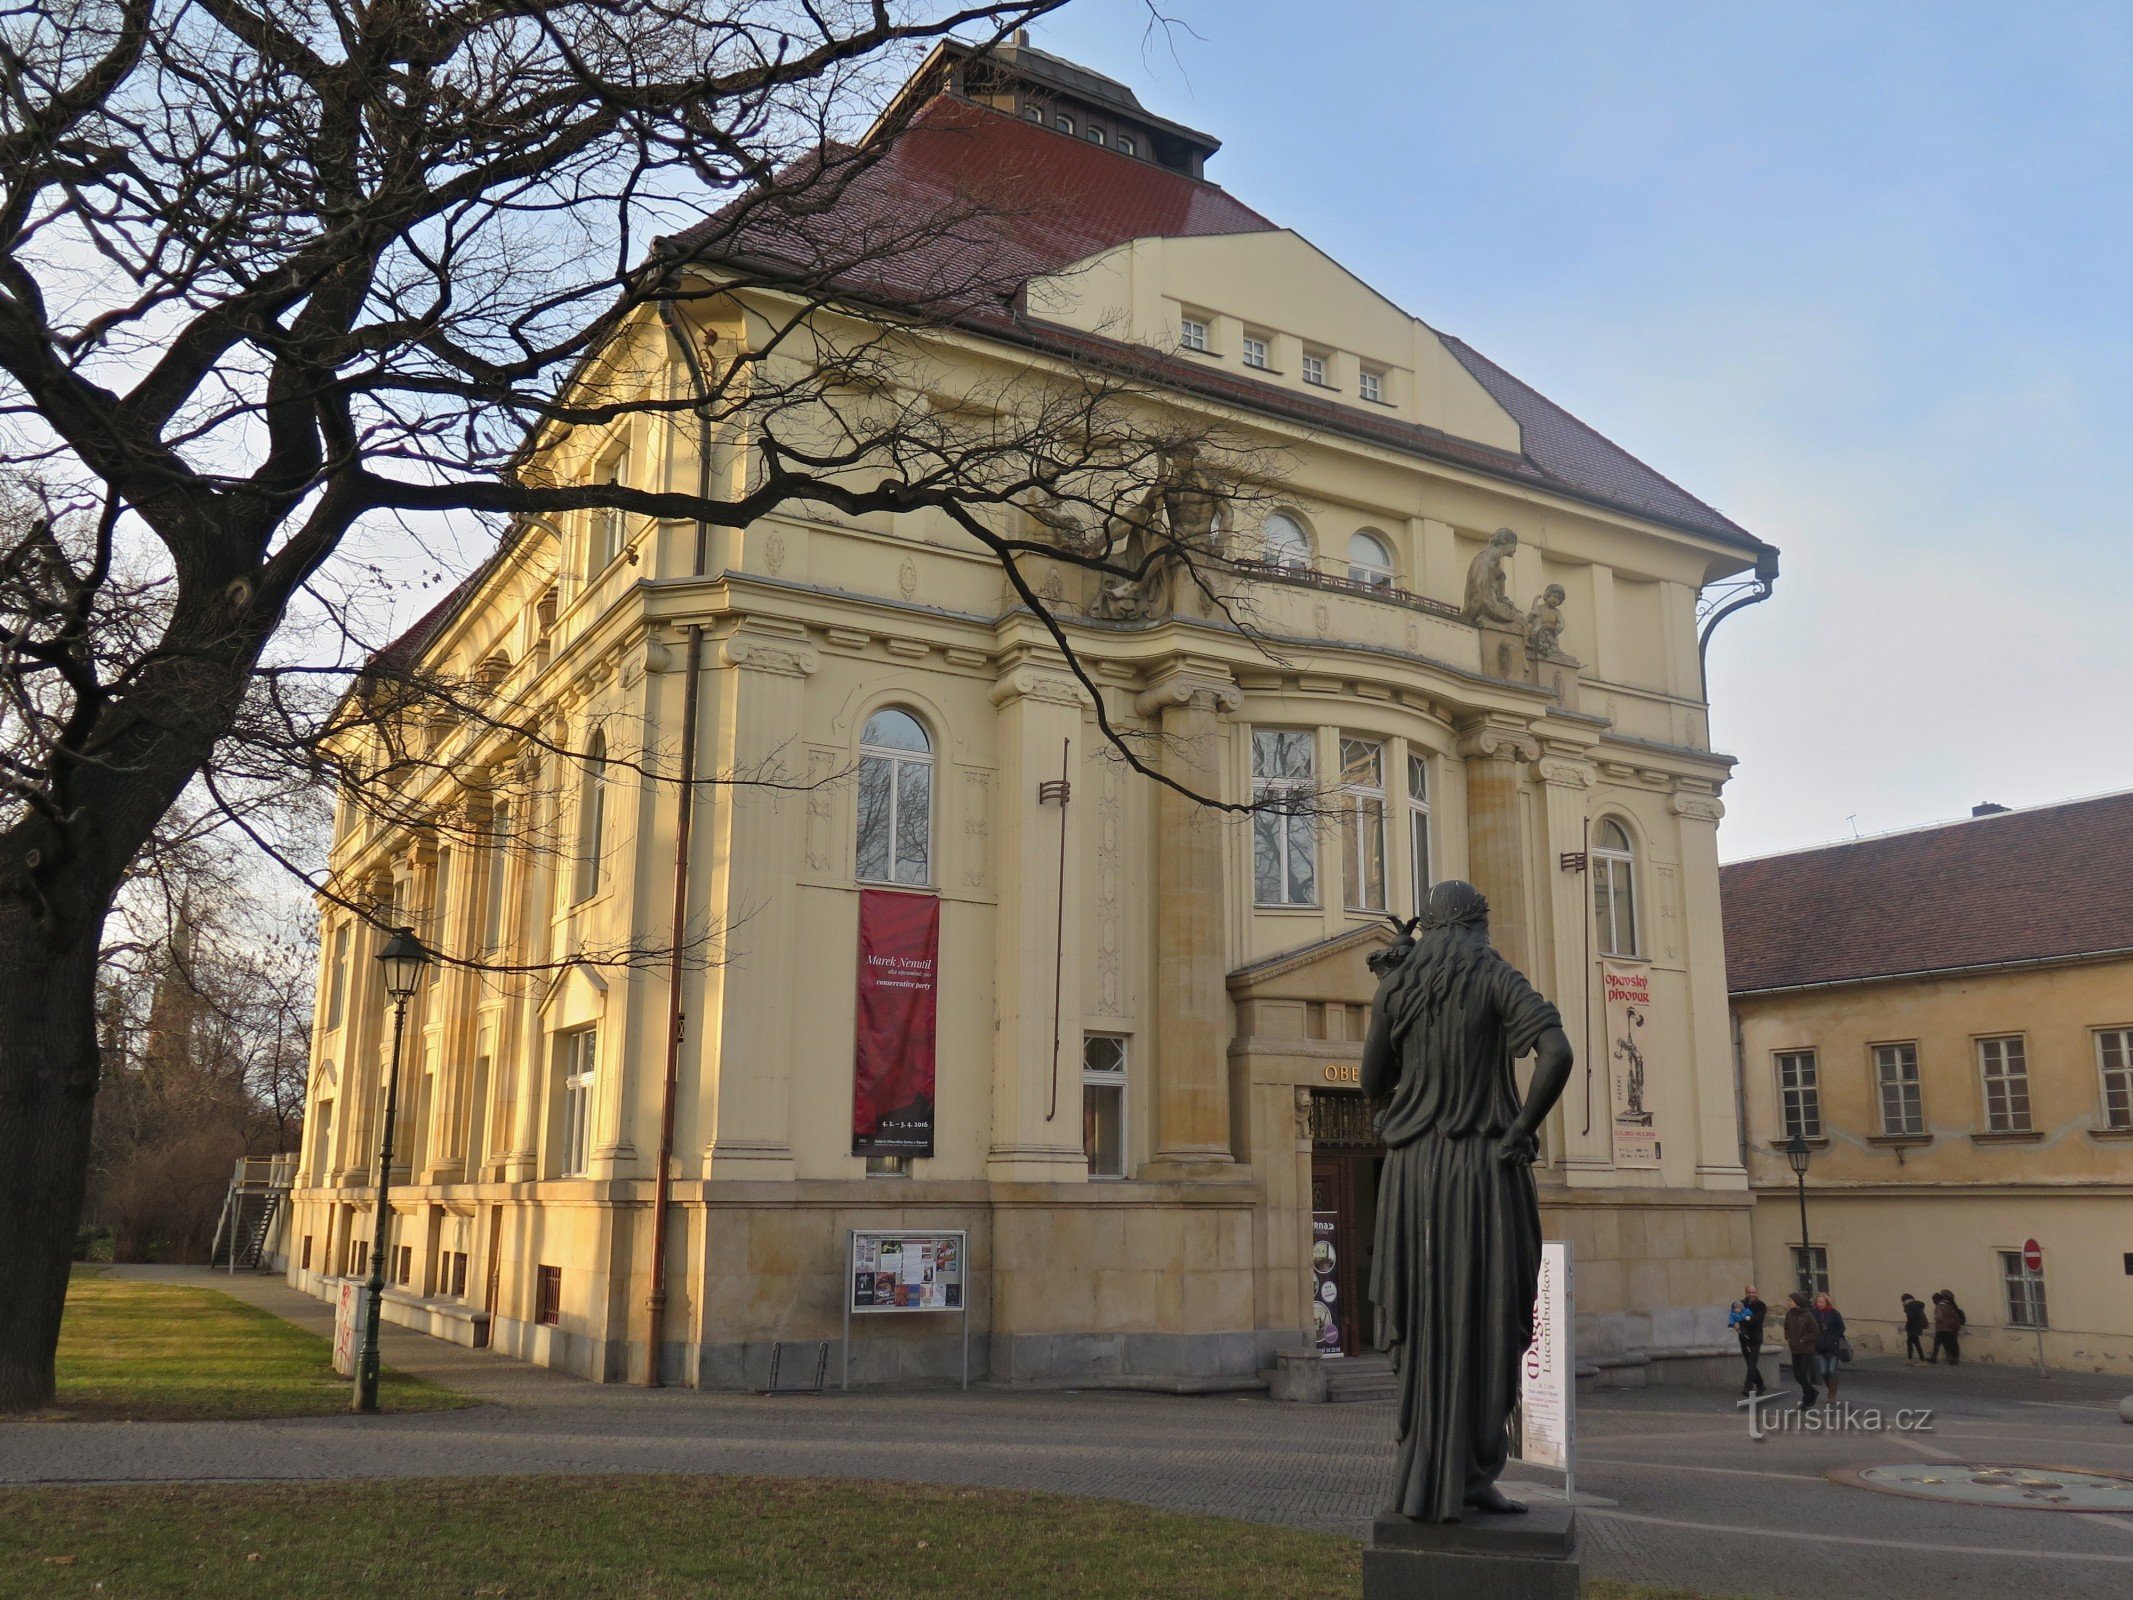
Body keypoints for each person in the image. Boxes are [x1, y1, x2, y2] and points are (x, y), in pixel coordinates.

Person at [1362, 880, 1575, 1523]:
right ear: (1479, 923)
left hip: (1411, 1173)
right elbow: (1556, 1052)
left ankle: (1432, 1468)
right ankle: (1473, 1469)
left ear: (1426, 927)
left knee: (1425, 1318)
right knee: (1488, 1318)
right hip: (1483, 1170)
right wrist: (1522, 1128)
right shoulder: (1494, 974)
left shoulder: (1397, 987)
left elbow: (1373, 1081)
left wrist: (1392, 999)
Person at [1783, 1291, 1822, 1409]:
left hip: (1806, 1350)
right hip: (1795, 1349)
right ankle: (1812, 1392)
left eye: (1791, 1301)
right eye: (1788, 1300)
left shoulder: (1807, 1315)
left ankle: (1807, 1399)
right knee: (1797, 1375)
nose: (1788, 1303)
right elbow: (1786, 1327)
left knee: (1802, 1375)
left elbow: (1816, 1332)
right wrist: (1788, 1337)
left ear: (1797, 1302)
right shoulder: (1789, 1314)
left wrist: (1803, 1339)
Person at [1733, 1285, 1768, 1396]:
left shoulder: (1761, 1305)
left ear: (1756, 1293)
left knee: (1752, 1363)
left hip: (1755, 1338)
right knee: (1750, 1364)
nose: (1751, 1294)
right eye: (1749, 1292)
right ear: (1746, 1292)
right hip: (1744, 1337)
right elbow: (1735, 1316)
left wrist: (1742, 1321)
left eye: (1753, 1292)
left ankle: (1747, 1386)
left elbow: (1756, 1320)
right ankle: (1761, 1385)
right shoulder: (1741, 1304)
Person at [1813, 1292, 1848, 1403]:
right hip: (1820, 1347)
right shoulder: (1813, 1314)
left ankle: (1832, 1394)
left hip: (1833, 1347)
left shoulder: (1834, 1313)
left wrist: (1833, 1337)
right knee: (1823, 1371)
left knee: (1831, 1370)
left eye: (1821, 1302)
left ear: (1826, 1302)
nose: (1819, 1304)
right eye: (1818, 1301)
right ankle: (1831, 1388)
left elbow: (1841, 1328)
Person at [1931, 1289, 1965, 1365]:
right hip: (1951, 1327)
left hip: (1942, 1328)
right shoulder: (1950, 1305)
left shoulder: (1940, 1306)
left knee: (1938, 1343)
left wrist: (1936, 1319)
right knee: (1951, 1343)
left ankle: (1935, 1358)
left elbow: (1939, 1318)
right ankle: (1953, 1359)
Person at [1900, 1293, 1929, 1364]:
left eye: (1903, 1301)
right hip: (1918, 1326)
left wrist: (1907, 1326)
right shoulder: (1917, 1305)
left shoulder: (1909, 1306)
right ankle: (1912, 1359)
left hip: (1912, 1327)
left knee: (1913, 1343)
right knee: (1913, 1343)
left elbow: (1910, 1318)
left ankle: (1920, 1360)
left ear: (1905, 1300)